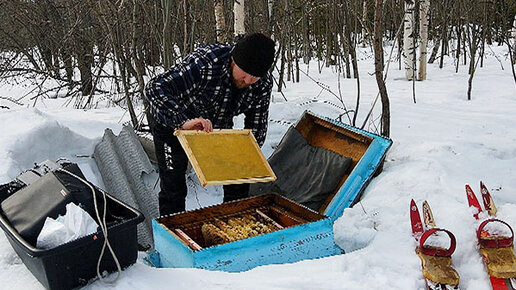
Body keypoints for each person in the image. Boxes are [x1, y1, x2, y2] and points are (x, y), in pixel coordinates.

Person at [145, 33, 275, 215]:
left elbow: (257, 127)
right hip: (174, 124)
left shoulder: (262, 84)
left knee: (239, 180)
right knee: (173, 187)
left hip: (215, 128)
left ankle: (234, 227)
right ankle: (172, 237)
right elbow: (154, 88)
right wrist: (183, 121)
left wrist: (247, 156)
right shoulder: (205, 63)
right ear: (234, 60)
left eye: (255, 78)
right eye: (245, 74)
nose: (248, 81)